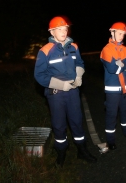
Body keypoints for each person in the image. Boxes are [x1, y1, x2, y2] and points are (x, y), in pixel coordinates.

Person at [34, 16, 97, 167]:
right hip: (56, 94)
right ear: (52, 32)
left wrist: (79, 75)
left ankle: (82, 151)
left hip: (73, 92)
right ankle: (61, 152)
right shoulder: (45, 51)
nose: (64, 31)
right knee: (59, 125)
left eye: (65, 28)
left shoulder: (73, 47)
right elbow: (39, 76)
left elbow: (80, 63)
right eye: (59, 29)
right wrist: (61, 85)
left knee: (77, 122)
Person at [100, 22, 126, 150]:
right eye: (119, 33)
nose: (121, 36)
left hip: (125, 88)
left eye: (123, 34)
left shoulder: (124, 49)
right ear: (112, 33)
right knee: (111, 115)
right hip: (113, 90)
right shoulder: (107, 49)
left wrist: (122, 63)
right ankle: (110, 140)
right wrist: (125, 65)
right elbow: (112, 69)